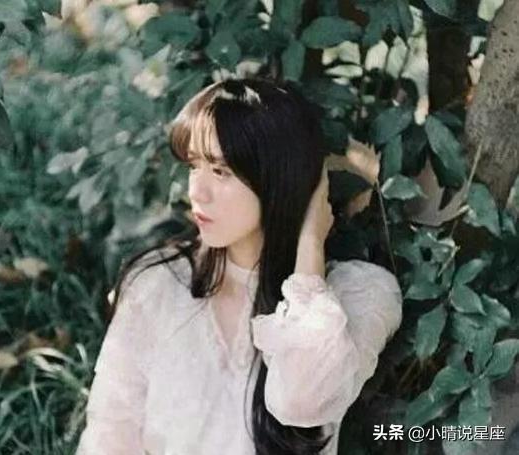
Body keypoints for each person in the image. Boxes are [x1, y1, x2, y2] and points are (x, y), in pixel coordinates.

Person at [76, 78, 403, 455]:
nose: (196, 191)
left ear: (278, 179)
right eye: (194, 166)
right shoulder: (157, 284)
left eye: (221, 171)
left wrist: (310, 243)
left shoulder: (359, 293)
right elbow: (109, 433)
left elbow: (303, 403)